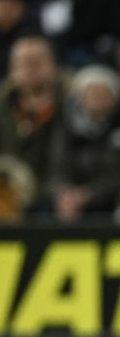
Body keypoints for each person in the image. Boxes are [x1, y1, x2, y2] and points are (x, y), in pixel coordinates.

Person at [51, 65, 120, 222]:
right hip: (70, 199)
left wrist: (89, 194)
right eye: (91, 93)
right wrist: (64, 192)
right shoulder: (65, 124)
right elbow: (56, 165)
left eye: (103, 93)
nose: (97, 98)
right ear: (80, 98)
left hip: (112, 198)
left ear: (115, 98)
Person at [0, 36, 63, 214]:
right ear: (12, 70)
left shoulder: (74, 102)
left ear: (53, 65)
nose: (30, 69)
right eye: (23, 64)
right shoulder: (3, 106)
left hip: (56, 197)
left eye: (37, 62)